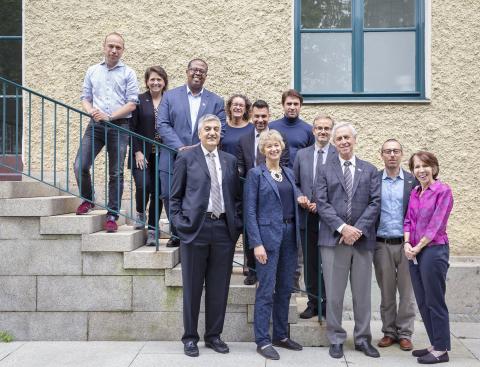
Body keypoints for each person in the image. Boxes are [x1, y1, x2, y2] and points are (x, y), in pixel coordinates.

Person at [170, 114, 242, 358]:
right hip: (195, 229)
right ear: (199, 133)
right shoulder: (186, 157)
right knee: (192, 286)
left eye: (216, 129)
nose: (212, 132)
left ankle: (214, 336)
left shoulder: (230, 161)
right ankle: (190, 337)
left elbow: (237, 197)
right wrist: (181, 225)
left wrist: (237, 224)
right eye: (207, 129)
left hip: (223, 229)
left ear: (221, 133)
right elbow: (174, 197)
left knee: (219, 286)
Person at [314, 122, 381, 359]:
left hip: (362, 242)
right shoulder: (324, 169)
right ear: (334, 143)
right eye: (339, 138)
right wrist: (343, 228)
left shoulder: (370, 170)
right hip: (333, 240)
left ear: (355, 140)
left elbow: (375, 203)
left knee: (362, 293)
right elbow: (321, 203)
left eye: (347, 138)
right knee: (334, 294)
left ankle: (363, 339)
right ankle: (336, 338)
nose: (343, 142)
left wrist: (357, 230)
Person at [245, 129, 303, 360]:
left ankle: (280, 334)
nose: (274, 149)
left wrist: (304, 200)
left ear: (282, 147)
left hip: (290, 235)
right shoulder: (256, 174)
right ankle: (262, 340)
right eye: (269, 146)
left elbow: (294, 197)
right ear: (263, 150)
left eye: (277, 145)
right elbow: (250, 211)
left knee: (285, 288)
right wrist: (256, 243)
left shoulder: (288, 173)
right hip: (267, 238)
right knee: (266, 289)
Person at [157, 58, 226, 247]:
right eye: (194, 69)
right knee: (170, 195)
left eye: (202, 71)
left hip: (201, 159)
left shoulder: (216, 101)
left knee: (196, 195)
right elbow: (162, 124)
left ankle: (193, 231)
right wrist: (180, 147)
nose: (197, 73)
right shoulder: (170, 96)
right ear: (187, 71)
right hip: (172, 156)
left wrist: (198, 149)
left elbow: (222, 128)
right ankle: (176, 233)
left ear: (206, 75)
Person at [74, 32, 139, 232]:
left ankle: (112, 214)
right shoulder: (93, 70)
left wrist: (109, 117)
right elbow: (85, 97)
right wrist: (91, 110)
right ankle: (88, 199)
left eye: (118, 47)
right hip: (96, 126)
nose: (114, 50)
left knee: (116, 172)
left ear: (122, 50)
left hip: (119, 126)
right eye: (110, 46)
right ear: (104, 47)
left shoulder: (129, 73)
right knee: (80, 165)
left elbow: (132, 104)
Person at [404, 151, 453, 364]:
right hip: (413, 250)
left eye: (425, 165)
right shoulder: (415, 192)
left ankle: (442, 350)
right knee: (423, 301)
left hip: (433, 250)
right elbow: (408, 220)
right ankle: (435, 344)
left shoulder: (443, 191)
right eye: (416, 167)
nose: (421, 170)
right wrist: (407, 243)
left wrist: (417, 247)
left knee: (435, 300)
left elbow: (436, 225)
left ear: (434, 167)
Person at [236, 99, 289, 285]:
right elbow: (241, 166)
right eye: (257, 116)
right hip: (252, 191)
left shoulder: (277, 138)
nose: (260, 120)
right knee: (251, 229)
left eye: (264, 116)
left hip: (273, 192)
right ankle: (252, 269)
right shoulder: (243, 139)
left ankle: (273, 269)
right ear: (251, 116)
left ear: (269, 116)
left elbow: (285, 163)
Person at [374, 139, 417, 351]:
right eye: (388, 151)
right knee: (387, 292)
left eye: (396, 151)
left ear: (401, 155)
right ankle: (389, 332)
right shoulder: (373, 180)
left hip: (407, 245)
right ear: (381, 155)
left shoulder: (413, 181)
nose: (392, 154)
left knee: (407, 293)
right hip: (381, 244)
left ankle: (405, 333)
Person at [294, 115, 336, 319]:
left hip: (330, 219)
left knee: (328, 262)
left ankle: (328, 303)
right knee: (310, 261)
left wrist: (322, 205)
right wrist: (299, 196)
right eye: (319, 128)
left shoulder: (338, 154)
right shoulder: (302, 155)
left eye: (327, 128)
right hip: (306, 215)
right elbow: (294, 182)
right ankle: (312, 301)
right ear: (313, 131)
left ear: (332, 131)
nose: (323, 132)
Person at [130, 66, 168, 245]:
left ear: (164, 82)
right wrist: (137, 151)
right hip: (142, 153)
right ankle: (139, 212)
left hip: (162, 155)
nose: (156, 82)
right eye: (152, 79)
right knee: (143, 185)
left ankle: (153, 230)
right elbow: (131, 127)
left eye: (159, 79)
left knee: (158, 192)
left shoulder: (169, 100)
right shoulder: (139, 100)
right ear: (147, 82)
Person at [269, 89, 314, 168]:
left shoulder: (309, 130)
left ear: (300, 106)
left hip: (299, 177)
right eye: (289, 104)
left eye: (296, 104)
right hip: (274, 175)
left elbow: (312, 158)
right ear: (283, 105)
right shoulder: (271, 128)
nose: (292, 107)